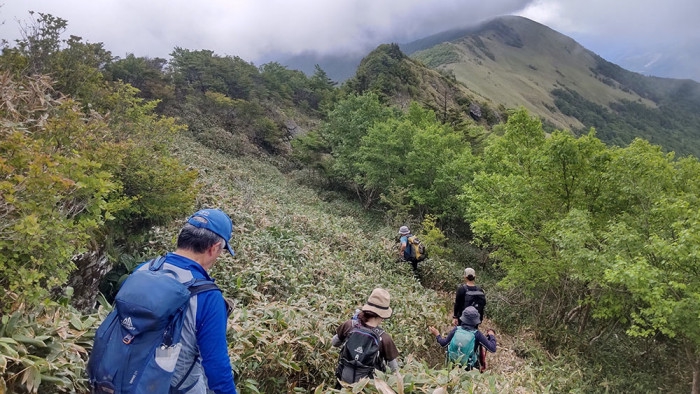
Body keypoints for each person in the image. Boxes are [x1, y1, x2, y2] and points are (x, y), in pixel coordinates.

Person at [149, 208, 238, 393]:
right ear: (213, 248)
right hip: (173, 386)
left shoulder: (146, 269)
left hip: (127, 377)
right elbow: (216, 366)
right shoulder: (208, 297)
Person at [332, 288, 400, 385]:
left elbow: (334, 343)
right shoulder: (384, 338)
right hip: (368, 387)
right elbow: (394, 369)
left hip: (343, 383)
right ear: (382, 315)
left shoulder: (349, 325)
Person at [429, 306, 496, 371]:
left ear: (463, 318)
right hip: (468, 368)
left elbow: (443, 343)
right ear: (476, 321)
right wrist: (491, 335)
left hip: (453, 365)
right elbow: (492, 349)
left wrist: (437, 335)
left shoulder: (456, 329)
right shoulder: (477, 334)